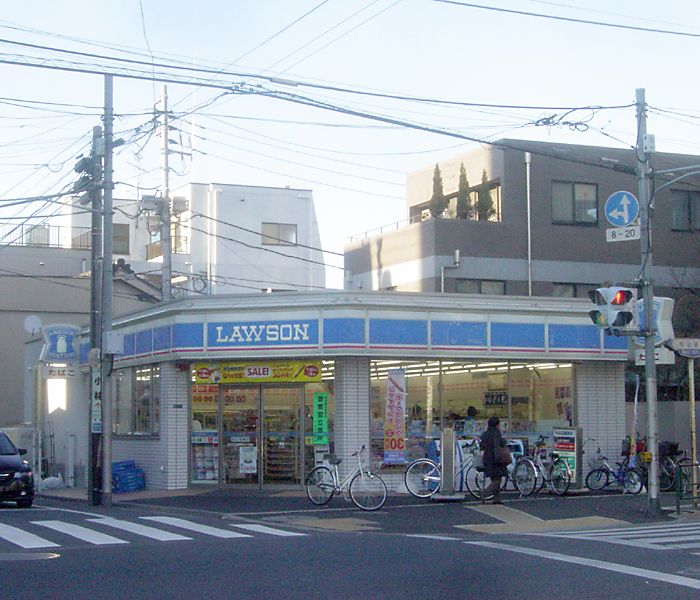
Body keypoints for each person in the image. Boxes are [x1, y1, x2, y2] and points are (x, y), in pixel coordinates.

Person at [479, 416, 507, 504]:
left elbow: (482, 446)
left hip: (487, 458)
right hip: (496, 458)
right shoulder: (497, 433)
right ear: (497, 425)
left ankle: (496, 499)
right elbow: (501, 443)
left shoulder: (485, 433)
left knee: (493, 478)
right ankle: (485, 493)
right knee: (498, 479)